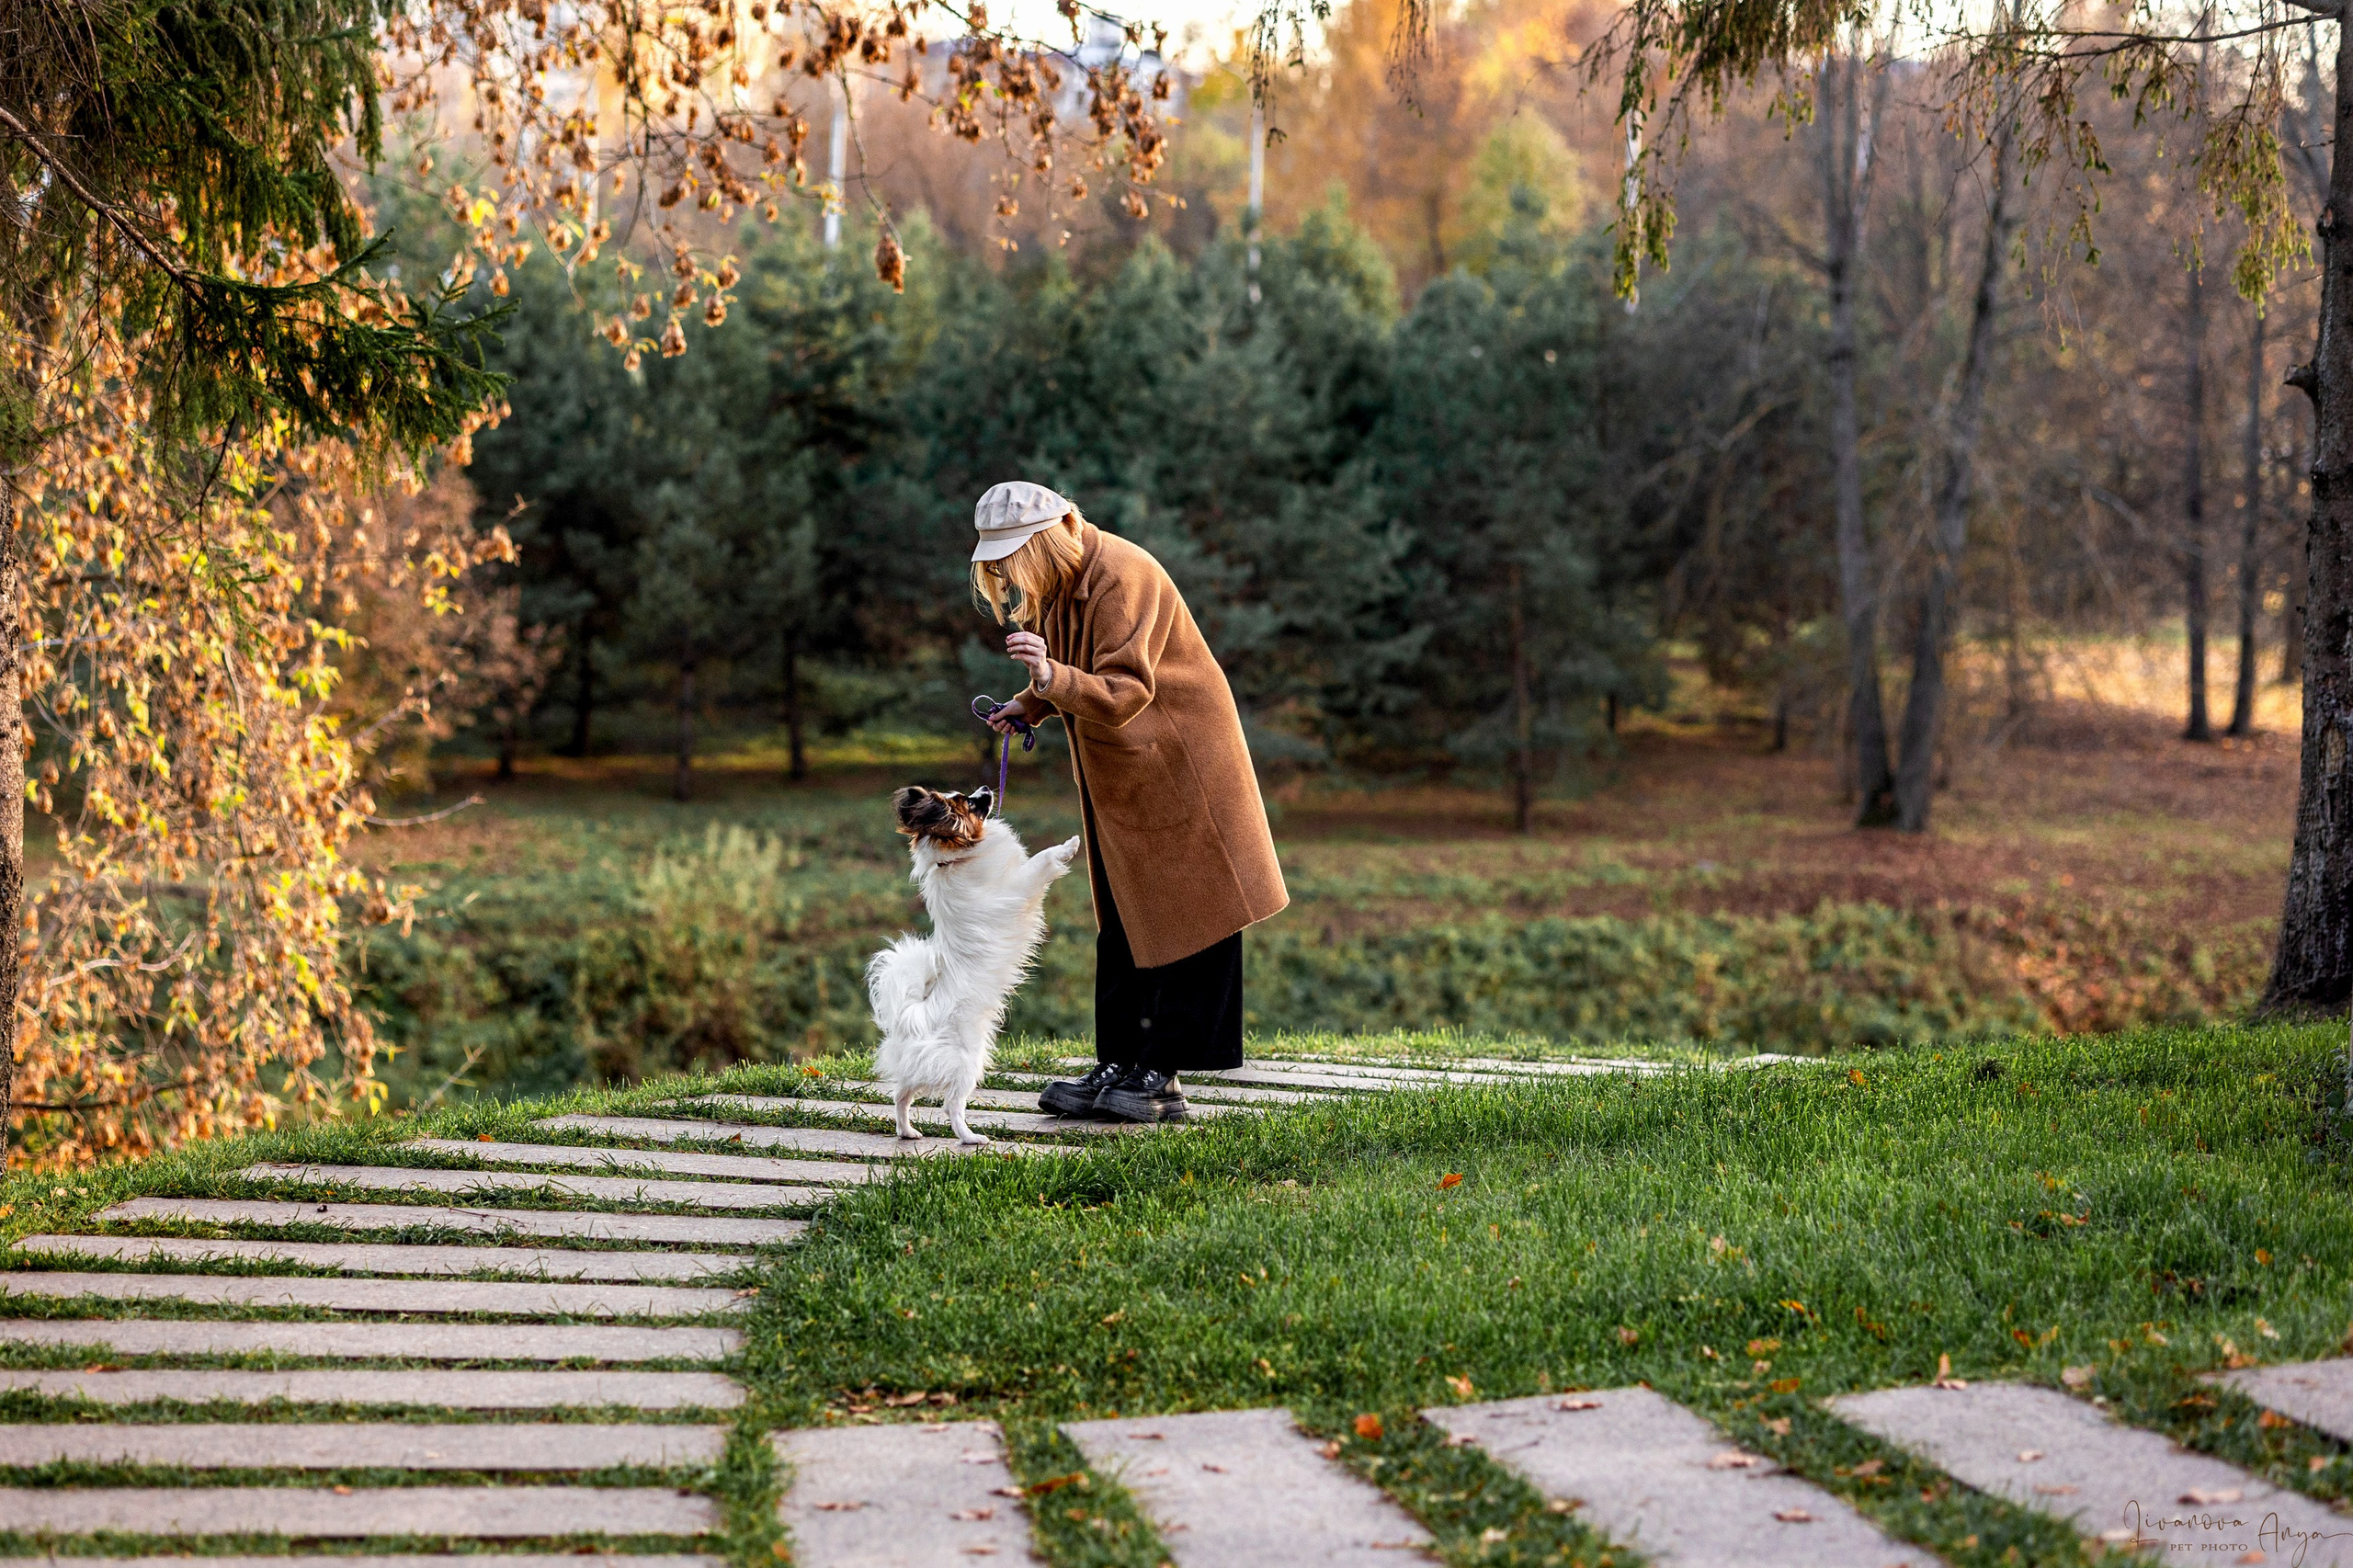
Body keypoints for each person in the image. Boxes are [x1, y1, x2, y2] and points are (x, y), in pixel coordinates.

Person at [970, 480, 1288, 1123]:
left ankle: (1160, 1076)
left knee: (1186, 913)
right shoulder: (1061, 582)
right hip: (1127, 770)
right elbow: (1073, 666)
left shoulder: (1122, 574)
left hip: (1182, 765)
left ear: (1047, 540)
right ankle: (1118, 1060)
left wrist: (1048, 677)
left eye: (1011, 560)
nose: (1006, 577)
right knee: (1122, 918)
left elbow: (1124, 689)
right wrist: (1029, 703)